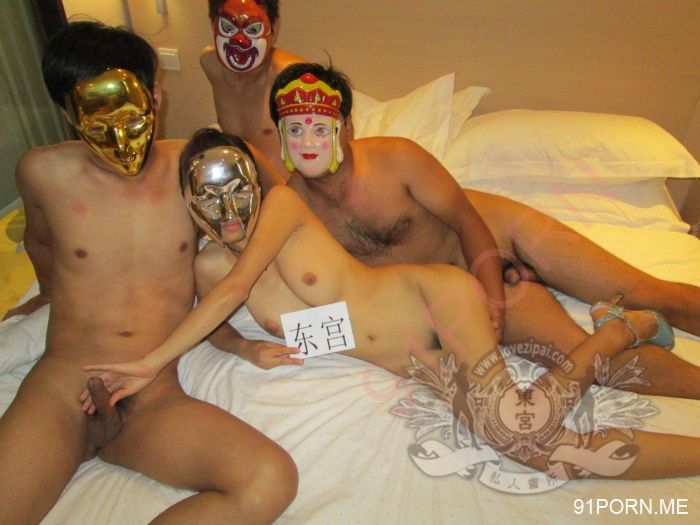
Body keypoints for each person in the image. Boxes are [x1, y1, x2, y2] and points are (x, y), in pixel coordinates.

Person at [82, 126, 700, 483]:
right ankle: (620, 332)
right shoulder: (208, 266)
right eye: (208, 198)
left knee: (517, 431)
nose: (228, 210)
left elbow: (233, 291)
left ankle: (620, 331)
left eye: (236, 187)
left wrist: (146, 364)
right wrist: (244, 347)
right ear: (190, 203)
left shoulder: (282, 210)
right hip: (408, 359)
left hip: (431, 300)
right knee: (541, 448)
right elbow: (215, 315)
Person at [199, 1, 700, 340]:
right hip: (449, 292)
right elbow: (295, 317)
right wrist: (245, 347)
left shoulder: (394, 157)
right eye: (294, 129)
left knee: (644, 292)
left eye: (318, 126)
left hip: (495, 233)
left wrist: (492, 294)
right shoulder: (291, 217)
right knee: (593, 360)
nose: (307, 139)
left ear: (344, 125)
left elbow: (464, 219)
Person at [0, 22, 296, 524]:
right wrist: (47, 295)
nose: (118, 136)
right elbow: (42, 244)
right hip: (65, 387)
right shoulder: (42, 172)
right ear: (69, 114)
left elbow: (282, 197)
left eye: (133, 115)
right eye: (96, 121)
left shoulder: (195, 166)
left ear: (155, 95)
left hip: (151, 391)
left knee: (269, 479)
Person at [201, 0, 304, 178]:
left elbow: (335, 144)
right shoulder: (211, 65)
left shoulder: (295, 80)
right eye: (228, 27)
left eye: (253, 29)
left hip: (286, 190)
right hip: (241, 185)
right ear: (212, 25)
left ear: (274, 28)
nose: (240, 41)